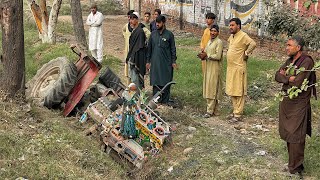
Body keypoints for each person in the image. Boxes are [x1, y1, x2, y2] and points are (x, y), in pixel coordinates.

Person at [275, 36, 316, 176]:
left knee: (296, 136)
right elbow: (276, 75)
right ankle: (292, 164)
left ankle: (296, 168)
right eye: (286, 45)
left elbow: (298, 82)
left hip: (299, 103)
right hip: (287, 102)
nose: (286, 47)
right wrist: (288, 77)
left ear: (298, 48)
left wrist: (286, 76)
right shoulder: (289, 61)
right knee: (288, 134)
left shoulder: (307, 61)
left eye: (289, 45)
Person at [226, 17, 256, 123]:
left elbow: (253, 44)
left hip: (239, 67)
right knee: (232, 90)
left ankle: (238, 114)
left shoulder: (243, 35)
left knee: (239, 91)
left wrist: (246, 53)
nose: (230, 27)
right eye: (230, 25)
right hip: (231, 68)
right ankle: (235, 111)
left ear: (238, 26)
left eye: (232, 25)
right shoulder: (232, 36)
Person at [146, 15, 177, 105]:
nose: (157, 24)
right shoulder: (153, 34)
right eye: (156, 22)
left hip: (166, 63)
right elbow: (149, 49)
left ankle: (165, 101)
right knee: (156, 81)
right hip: (155, 62)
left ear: (163, 23)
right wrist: (148, 61)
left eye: (159, 23)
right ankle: (157, 101)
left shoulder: (169, 35)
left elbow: (173, 49)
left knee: (166, 81)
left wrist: (173, 61)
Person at [198, 24, 223, 118]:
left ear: (218, 32)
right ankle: (215, 110)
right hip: (208, 67)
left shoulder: (219, 42)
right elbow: (207, 52)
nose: (212, 33)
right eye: (211, 31)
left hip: (215, 68)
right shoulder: (209, 41)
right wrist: (202, 55)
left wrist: (207, 56)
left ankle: (209, 111)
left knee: (212, 89)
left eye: (214, 31)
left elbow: (218, 56)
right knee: (209, 87)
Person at [122, 10, 150, 85]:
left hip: (138, 59)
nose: (131, 21)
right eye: (130, 19)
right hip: (132, 56)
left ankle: (138, 95)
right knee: (131, 77)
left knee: (136, 79)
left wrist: (135, 59)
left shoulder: (140, 31)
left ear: (137, 20)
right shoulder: (133, 30)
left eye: (133, 19)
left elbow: (139, 47)